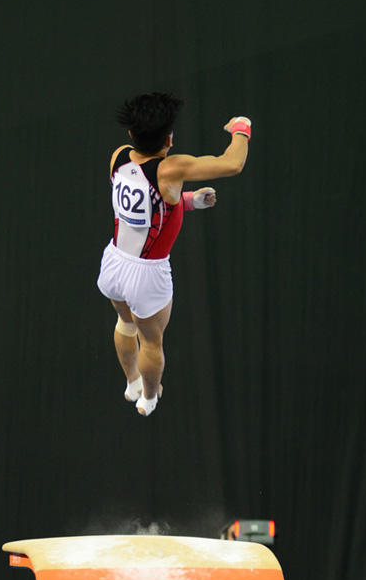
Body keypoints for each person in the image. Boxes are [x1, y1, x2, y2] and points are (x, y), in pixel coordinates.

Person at [97, 91, 251, 416]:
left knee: (125, 323)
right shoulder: (171, 169)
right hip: (147, 273)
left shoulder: (119, 156)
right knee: (151, 342)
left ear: (130, 134)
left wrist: (190, 200)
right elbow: (232, 163)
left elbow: (146, 206)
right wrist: (242, 128)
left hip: (113, 261)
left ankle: (130, 382)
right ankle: (149, 397)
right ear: (169, 137)